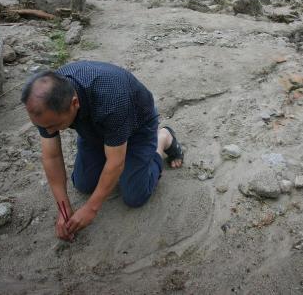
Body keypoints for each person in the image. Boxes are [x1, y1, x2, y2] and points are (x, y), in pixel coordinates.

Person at [21, 61, 183, 240]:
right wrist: (63, 207)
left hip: (138, 126)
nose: (49, 131)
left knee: (135, 196)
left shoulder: (111, 98)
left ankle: (162, 139)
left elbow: (115, 163)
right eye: (43, 126)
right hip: (95, 126)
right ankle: (113, 148)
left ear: (74, 103)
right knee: (83, 184)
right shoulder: (47, 104)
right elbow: (51, 156)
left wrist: (91, 208)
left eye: (55, 125)